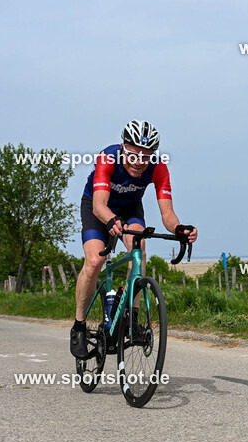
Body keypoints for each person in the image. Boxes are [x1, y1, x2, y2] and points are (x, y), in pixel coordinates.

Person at [70, 120, 198, 358]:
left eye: (146, 156)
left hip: (130, 209)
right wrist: (110, 221)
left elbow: (167, 215)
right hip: (98, 208)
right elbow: (99, 206)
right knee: (95, 262)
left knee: (139, 251)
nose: (139, 162)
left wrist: (180, 229)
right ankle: (78, 326)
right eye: (133, 154)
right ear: (122, 147)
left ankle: (133, 318)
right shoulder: (108, 158)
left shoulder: (159, 169)